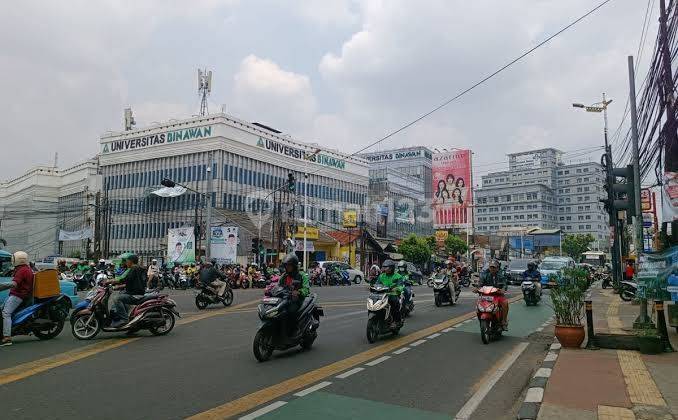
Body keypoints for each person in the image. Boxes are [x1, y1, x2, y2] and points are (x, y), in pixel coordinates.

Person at [0, 251, 34, 346]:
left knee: (6, 313)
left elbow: (14, 284)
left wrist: (1, 286)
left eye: (13, 259)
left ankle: (7, 338)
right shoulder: (24, 268)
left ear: (18, 260)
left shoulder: (22, 270)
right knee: (2, 309)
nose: (12, 261)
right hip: (16, 294)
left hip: (18, 295)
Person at [107, 253, 146, 328]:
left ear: (131, 261)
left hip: (135, 294)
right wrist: (118, 286)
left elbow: (126, 279)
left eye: (127, 261)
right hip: (135, 291)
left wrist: (114, 282)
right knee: (121, 296)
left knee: (117, 299)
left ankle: (124, 319)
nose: (126, 263)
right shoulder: (137, 268)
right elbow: (130, 282)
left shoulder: (134, 269)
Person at [278, 254, 310, 339]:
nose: (287, 267)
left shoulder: (302, 275)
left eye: (289, 265)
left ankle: (295, 330)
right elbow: (278, 286)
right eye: (286, 265)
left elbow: (306, 289)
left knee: (290, 311)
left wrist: (299, 292)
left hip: (297, 300)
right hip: (284, 299)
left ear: (294, 266)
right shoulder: (284, 276)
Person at [478, 260, 509, 330]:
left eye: (494, 267)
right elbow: (480, 283)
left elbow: (504, 284)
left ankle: (504, 321)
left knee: (505, 303)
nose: (492, 269)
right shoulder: (485, 275)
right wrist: (477, 288)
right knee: (478, 304)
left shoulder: (501, 275)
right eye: (491, 267)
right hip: (486, 295)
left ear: (497, 268)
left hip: (497, 295)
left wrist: (503, 289)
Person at [375, 260, 403, 328]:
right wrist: (374, 287)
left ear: (392, 268)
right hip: (382, 294)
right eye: (384, 267)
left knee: (394, 303)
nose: (385, 269)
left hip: (393, 294)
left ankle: (396, 321)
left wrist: (396, 289)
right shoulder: (381, 276)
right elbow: (377, 284)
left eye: (387, 267)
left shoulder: (398, 276)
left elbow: (400, 286)